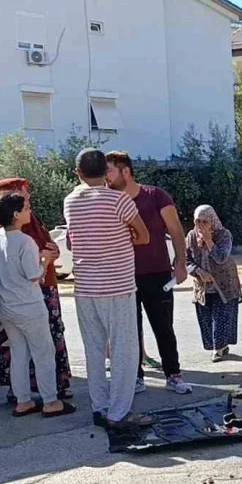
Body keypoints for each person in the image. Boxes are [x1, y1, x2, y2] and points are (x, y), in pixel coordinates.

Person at [64, 148, 151, 428]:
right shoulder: (119, 199)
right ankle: (119, 412)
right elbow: (144, 235)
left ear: (78, 173)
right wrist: (122, 241)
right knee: (125, 349)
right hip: (118, 284)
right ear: (106, 172)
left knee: (94, 349)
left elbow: (71, 241)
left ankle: (100, 407)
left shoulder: (70, 201)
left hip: (86, 286)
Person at [104, 151, 191, 395]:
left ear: (126, 171)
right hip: (123, 276)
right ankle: (136, 378)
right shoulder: (108, 200)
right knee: (129, 331)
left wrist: (181, 263)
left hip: (158, 273)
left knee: (164, 327)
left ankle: (173, 375)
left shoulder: (155, 196)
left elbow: (175, 231)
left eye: (109, 170)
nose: (106, 177)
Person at [0, 193, 76, 418]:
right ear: (16, 215)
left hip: (5, 306)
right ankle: (50, 401)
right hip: (28, 305)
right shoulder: (26, 242)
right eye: (26, 208)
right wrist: (46, 260)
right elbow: (33, 274)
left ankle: (23, 400)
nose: (29, 211)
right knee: (43, 353)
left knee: (18, 353)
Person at [186, 205, 242, 362]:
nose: (201, 225)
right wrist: (198, 272)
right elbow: (185, 260)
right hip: (203, 285)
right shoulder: (191, 236)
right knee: (206, 318)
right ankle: (218, 346)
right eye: (198, 221)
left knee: (222, 316)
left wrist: (209, 241)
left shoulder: (224, 235)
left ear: (212, 221)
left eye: (205, 221)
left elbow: (221, 257)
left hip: (224, 283)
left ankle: (219, 348)